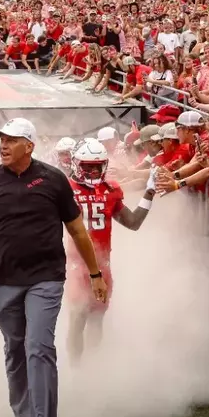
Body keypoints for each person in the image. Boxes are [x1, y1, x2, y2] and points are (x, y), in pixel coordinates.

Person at [0, 118, 107, 417]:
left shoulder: (54, 180)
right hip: (2, 280)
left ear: (29, 145)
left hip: (46, 278)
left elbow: (77, 229)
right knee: (15, 349)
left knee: (39, 346)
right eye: (1, 140)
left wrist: (94, 273)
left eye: (11, 140)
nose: (3, 146)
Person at [65, 137, 155, 359]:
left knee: (96, 320)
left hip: (103, 265)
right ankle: (76, 370)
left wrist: (149, 193)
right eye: (88, 167)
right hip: (76, 265)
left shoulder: (111, 189)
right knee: (77, 319)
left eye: (98, 168)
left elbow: (133, 223)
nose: (94, 173)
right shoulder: (64, 188)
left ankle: (94, 369)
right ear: (77, 165)